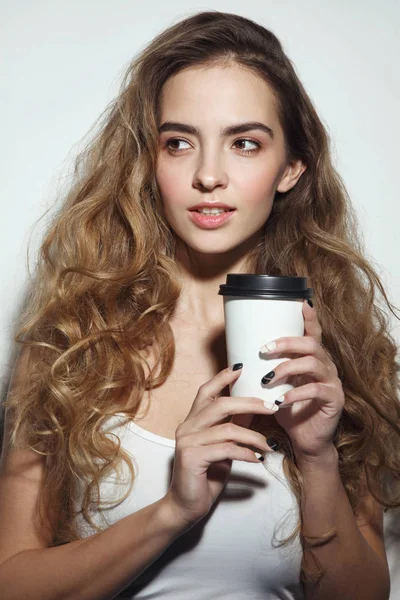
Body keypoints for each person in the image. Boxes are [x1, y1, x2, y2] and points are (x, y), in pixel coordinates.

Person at [0, 9, 399, 600]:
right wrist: (173, 511)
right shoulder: (73, 342)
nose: (208, 175)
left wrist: (316, 461)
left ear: (291, 166)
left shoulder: (340, 347)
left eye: (244, 143)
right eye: (179, 142)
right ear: (149, 160)